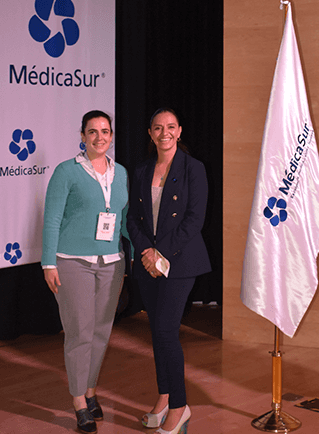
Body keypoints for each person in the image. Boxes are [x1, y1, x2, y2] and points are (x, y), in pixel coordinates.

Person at [41, 110, 129, 434]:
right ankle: (79, 401)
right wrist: (48, 263)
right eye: (92, 131)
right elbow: (52, 219)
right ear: (82, 136)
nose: (99, 137)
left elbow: (123, 218)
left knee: (101, 331)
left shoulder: (121, 173)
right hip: (72, 262)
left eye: (105, 131)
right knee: (80, 332)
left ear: (111, 136)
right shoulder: (66, 171)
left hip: (111, 263)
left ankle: (90, 391)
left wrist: (142, 251)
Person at [127, 108, 211, 434]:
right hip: (148, 263)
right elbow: (133, 218)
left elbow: (194, 219)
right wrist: (146, 252)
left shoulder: (194, 168)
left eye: (171, 127)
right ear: (150, 133)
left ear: (179, 131)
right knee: (156, 332)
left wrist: (160, 252)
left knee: (166, 331)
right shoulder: (142, 169)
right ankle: (164, 397)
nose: (165, 133)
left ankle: (180, 406)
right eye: (158, 128)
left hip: (180, 262)